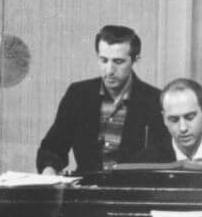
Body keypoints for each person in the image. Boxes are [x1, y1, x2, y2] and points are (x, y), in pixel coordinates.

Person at [36, 24, 167, 174]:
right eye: (104, 60)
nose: (109, 71)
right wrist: (49, 171)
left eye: (118, 62)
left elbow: (164, 155)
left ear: (135, 59)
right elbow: (52, 147)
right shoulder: (78, 95)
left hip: (133, 192)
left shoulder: (154, 100)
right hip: (86, 191)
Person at [134, 76, 202, 163]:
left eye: (190, 117)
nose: (183, 128)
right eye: (174, 120)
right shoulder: (146, 162)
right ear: (164, 119)